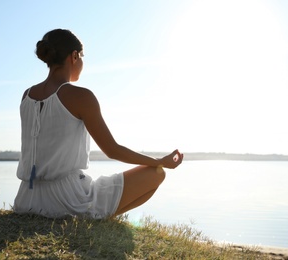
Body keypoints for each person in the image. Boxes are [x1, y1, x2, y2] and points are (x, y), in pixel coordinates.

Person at [14, 29, 183, 219]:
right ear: (74, 56)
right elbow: (112, 150)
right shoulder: (81, 96)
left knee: (110, 188)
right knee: (156, 174)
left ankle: (99, 217)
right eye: (83, 57)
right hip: (68, 200)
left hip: (26, 198)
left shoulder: (27, 95)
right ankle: (97, 218)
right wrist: (159, 161)